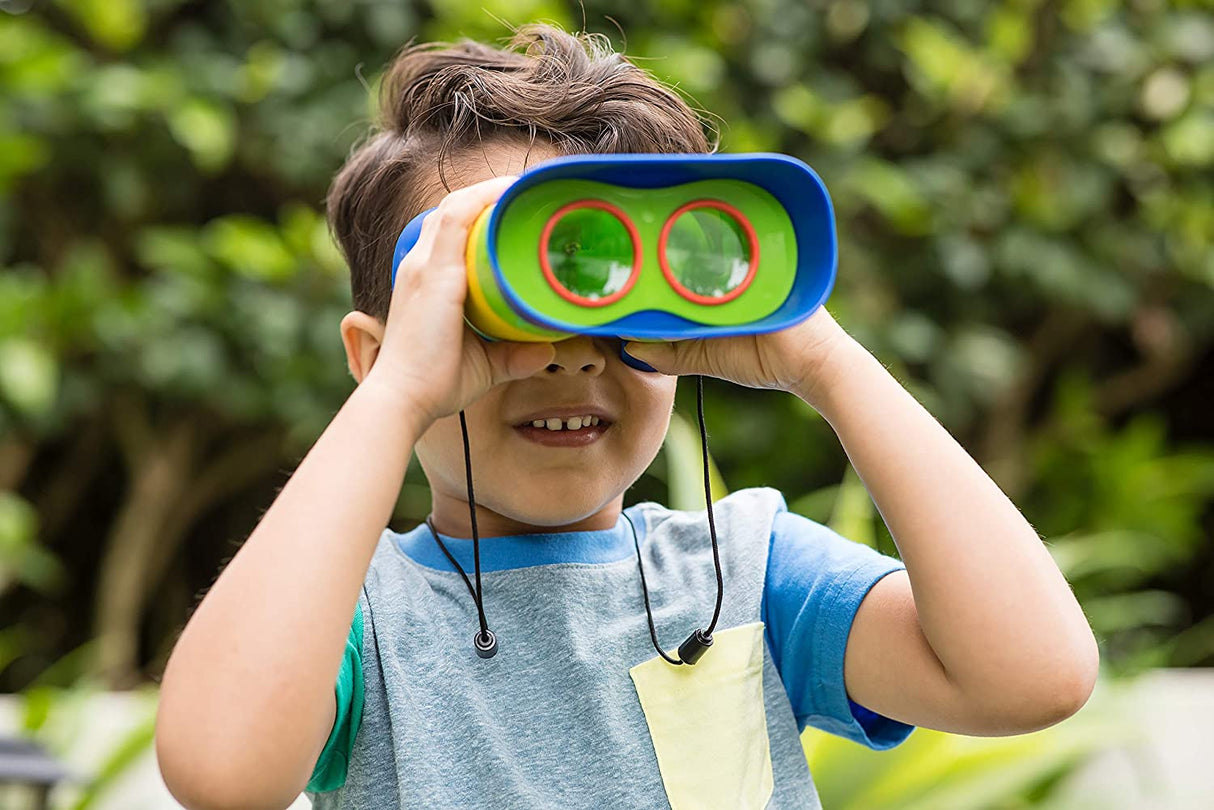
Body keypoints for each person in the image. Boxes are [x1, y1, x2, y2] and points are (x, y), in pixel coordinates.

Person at [154, 22, 1100, 810]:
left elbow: (1032, 676)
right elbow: (220, 769)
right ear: (376, 354)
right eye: (500, 304)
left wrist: (822, 359)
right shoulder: (355, 614)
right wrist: (402, 394)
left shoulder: (746, 576)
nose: (565, 351)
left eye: (612, 299)